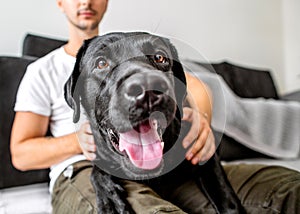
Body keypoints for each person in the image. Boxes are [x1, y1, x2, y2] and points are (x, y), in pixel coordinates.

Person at [10, 0, 300, 213]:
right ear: (61, 3)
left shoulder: (140, 48)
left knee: (290, 191)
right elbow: (21, 154)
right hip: (84, 168)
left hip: (170, 164)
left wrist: (200, 119)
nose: (85, 1)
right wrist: (80, 141)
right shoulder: (42, 70)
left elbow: (197, 87)